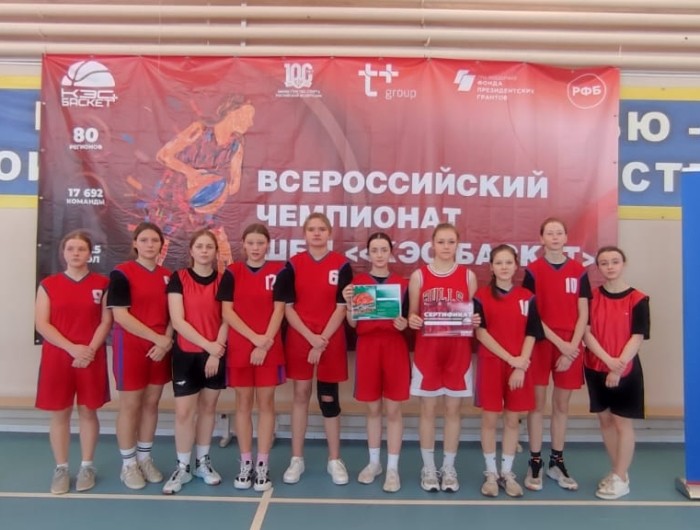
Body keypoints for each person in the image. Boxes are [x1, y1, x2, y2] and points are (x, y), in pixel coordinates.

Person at [276, 213, 353, 485]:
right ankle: (296, 459)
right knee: (300, 394)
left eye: (321, 229)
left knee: (329, 397)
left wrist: (322, 340)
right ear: (305, 233)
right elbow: (287, 308)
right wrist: (311, 338)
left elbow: (342, 307)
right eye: (312, 229)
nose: (317, 233)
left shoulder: (342, 265)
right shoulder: (293, 264)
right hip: (301, 337)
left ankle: (335, 460)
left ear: (330, 233)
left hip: (331, 338)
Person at [35, 230, 112, 494]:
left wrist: (88, 350)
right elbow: (42, 324)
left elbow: (106, 321)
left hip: (91, 356)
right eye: (71, 249)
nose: (76, 253)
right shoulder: (49, 284)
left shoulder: (102, 283)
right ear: (63, 253)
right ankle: (61, 468)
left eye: (81, 249)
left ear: (90, 253)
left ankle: (87, 466)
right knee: (61, 412)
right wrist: (71, 348)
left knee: (88, 411)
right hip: (59, 357)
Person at [408, 223, 478, 493]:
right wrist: (413, 319)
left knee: (453, 411)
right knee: (427, 410)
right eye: (441, 242)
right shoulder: (419, 276)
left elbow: (473, 313)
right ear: (432, 245)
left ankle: (448, 467)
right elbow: (413, 314)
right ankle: (428, 467)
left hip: (457, 352)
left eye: (451, 242)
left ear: (457, 244)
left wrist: (475, 319)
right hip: (428, 352)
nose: (446, 247)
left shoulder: (468, 276)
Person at [522, 217, 591, 491]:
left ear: (566, 237)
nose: (554, 237)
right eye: (549, 233)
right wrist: (560, 344)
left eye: (559, 232)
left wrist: (571, 347)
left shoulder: (579, 271)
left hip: (571, 346)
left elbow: (583, 312)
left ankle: (557, 461)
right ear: (541, 238)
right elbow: (532, 313)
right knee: (536, 405)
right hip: (542, 342)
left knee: (561, 405)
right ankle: (535, 461)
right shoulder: (532, 271)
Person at [217, 223, 286, 492]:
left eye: (260, 243)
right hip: (241, 346)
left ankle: (262, 465)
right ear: (243, 245)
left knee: (266, 403)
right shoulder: (232, 272)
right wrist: (254, 339)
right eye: (251, 243)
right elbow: (227, 312)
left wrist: (264, 341)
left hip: (269, 346)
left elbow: (279, 310)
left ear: (267, 245)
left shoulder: (279, 271)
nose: (256, 248)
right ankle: (245, 463)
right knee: (243, 404)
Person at [473, 244, 544, 497]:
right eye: (499, 263)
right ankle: (491, 473)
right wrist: (511, 359)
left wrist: (520, 364)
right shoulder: (481, 296)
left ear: (516, 266)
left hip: (520, 367)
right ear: (491, 267)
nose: (504, 267)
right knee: (490, 419)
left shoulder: (527, 297)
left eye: (508, 262)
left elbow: (532, 333)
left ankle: (507, 472)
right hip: (492, 364)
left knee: (513, 420)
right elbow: (481, 334)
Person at [107, 222, 173, 490]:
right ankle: (128, 464)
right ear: (135, 243)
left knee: (151, 403)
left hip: (160, 348)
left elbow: (174, 314)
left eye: (154, 240)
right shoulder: (122, 273)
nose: (149, 245)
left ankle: (145, 458)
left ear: (161, 245)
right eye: (144, 240)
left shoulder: (168, 275)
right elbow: (120, 315)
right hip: (131, 346)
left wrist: (165, 340)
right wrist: (157, 338)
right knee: (131, 405)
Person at [342, 232, 410, 493]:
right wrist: (349, 304)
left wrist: (404, 324)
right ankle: (374, 463)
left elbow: (408, 320)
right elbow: (353, 323)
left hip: (394, 347)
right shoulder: (358, 283)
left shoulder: (401, 284)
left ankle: (392, 468)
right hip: (368, 348)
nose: (379, 254)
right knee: (372, 409)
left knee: (393, 410)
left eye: (384, 249)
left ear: (391, 252)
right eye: (375, 250)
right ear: (368, 253)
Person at [154, 95, 256, 269]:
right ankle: (150, 278)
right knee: (159, 243)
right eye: (248, 116)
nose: (251, 123)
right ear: (233, 112)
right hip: (174, 196)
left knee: (222, 245)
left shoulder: (236, 144)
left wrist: (217, 188)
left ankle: (226, 283)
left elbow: (234, 185)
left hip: (203, 199)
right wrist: (192, 174)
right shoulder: (200, 130)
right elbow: (164, 155)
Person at [161, 229, 227, 495]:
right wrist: (207, 345)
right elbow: (178, 321)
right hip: (186, 355)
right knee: (184, 413)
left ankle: (203, 463)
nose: (204, 251)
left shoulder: (223, 280)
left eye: (209, 246)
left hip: (215, 356)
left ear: (215, 252)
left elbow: (227, 319)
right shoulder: (179, 278)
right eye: (199, 246)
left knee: (208, 409)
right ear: (191, 250)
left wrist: (215, 352)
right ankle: (182, 467)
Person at [583, 246, 649, 500]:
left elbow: (637, 336)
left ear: (624, 264)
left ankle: (621, 478)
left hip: (626, 369)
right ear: (598, 267)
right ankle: (616, 471)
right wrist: (606, 360)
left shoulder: (639, 299)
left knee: (622, 422)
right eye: (604, 263)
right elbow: (587, 333)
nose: (610, 266)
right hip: (595, 367)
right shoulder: (592, 297)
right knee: (605, 421)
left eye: (614, 261)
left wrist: (617, 366)